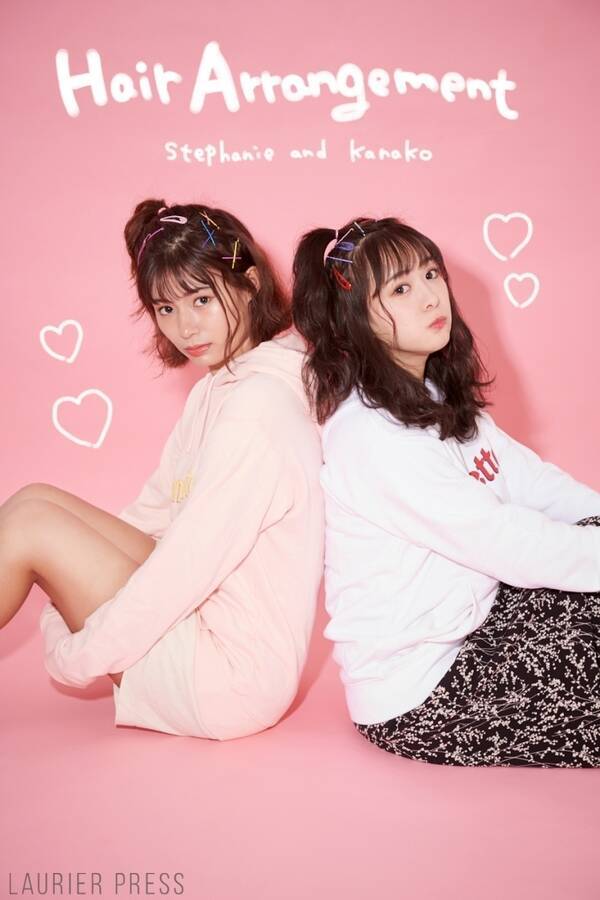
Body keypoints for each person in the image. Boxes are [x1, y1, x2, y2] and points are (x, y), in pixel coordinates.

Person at [1, 200, 324, 740]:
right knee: (36, 500)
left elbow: (186, 566)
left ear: (249, 283)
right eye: (166, 308)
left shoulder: (259, 406)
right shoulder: (216, 389)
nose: (184, 326)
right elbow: (150, 517)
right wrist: (63, 599)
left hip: (227, 676)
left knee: (34, 525)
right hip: (201, 625)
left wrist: (76, 654)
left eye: (201, 299)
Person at [291, 215, 600, 767]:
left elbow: (537, 486)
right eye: (400, 289)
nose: (431, 297)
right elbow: (509, 542)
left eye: (430, 274)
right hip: (422, 691)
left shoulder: (432, 392)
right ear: (355, 316)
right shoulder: (372, 436)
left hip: (481, 623)